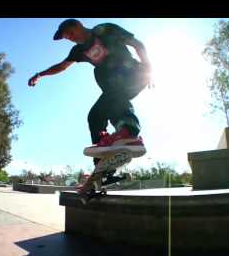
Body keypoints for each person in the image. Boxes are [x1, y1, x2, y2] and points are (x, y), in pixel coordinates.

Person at [28, 19, 152, 173]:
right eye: (68, 38)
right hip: (114, 89)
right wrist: (40, 74)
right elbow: (62, 66)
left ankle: (128, 130)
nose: (71, 38)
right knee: (94, 116)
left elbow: (137, 44)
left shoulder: (105, 29)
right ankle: (103, 166)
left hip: (134, 74)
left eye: (71, 33)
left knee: (103, 74)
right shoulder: (78, 50)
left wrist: (148, 67)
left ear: (79, 25)